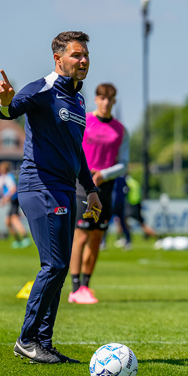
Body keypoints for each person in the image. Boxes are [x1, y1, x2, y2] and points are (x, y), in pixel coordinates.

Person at [0, 30, 102, 364]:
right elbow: (9, 111)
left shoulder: (78, 100)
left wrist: (91, 190)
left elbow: (76, 151)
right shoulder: (42, 88)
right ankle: (27, 339)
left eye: (86, 55)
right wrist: (5, 101)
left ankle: (43, 342)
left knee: (60, 268)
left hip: (65, 190)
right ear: (58, 58)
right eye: (76, 55)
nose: (83, 60)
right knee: (54, 265)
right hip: (40, 186)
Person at [69, 83, 129, 304]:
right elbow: (73, 149)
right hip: (82, 184)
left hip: (105, 187)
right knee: (81, 236)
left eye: (109, 99)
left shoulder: (120, 130)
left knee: (96, 238)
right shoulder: (83, 121)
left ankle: (85, 286)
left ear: (114, 101)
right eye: (102, 98)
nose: (105, 102)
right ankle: (75, 288)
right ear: (96, 100)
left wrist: (104, 174)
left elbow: (123, 164)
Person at [0, 161, 31, 249]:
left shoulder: (8, 177)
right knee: (8, 222)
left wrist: (6, 198)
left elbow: (13, 189)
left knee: (14, 220)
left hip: (14, 200)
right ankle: (18, 240)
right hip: (13, 200)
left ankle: (25, 238)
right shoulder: (7, 177)